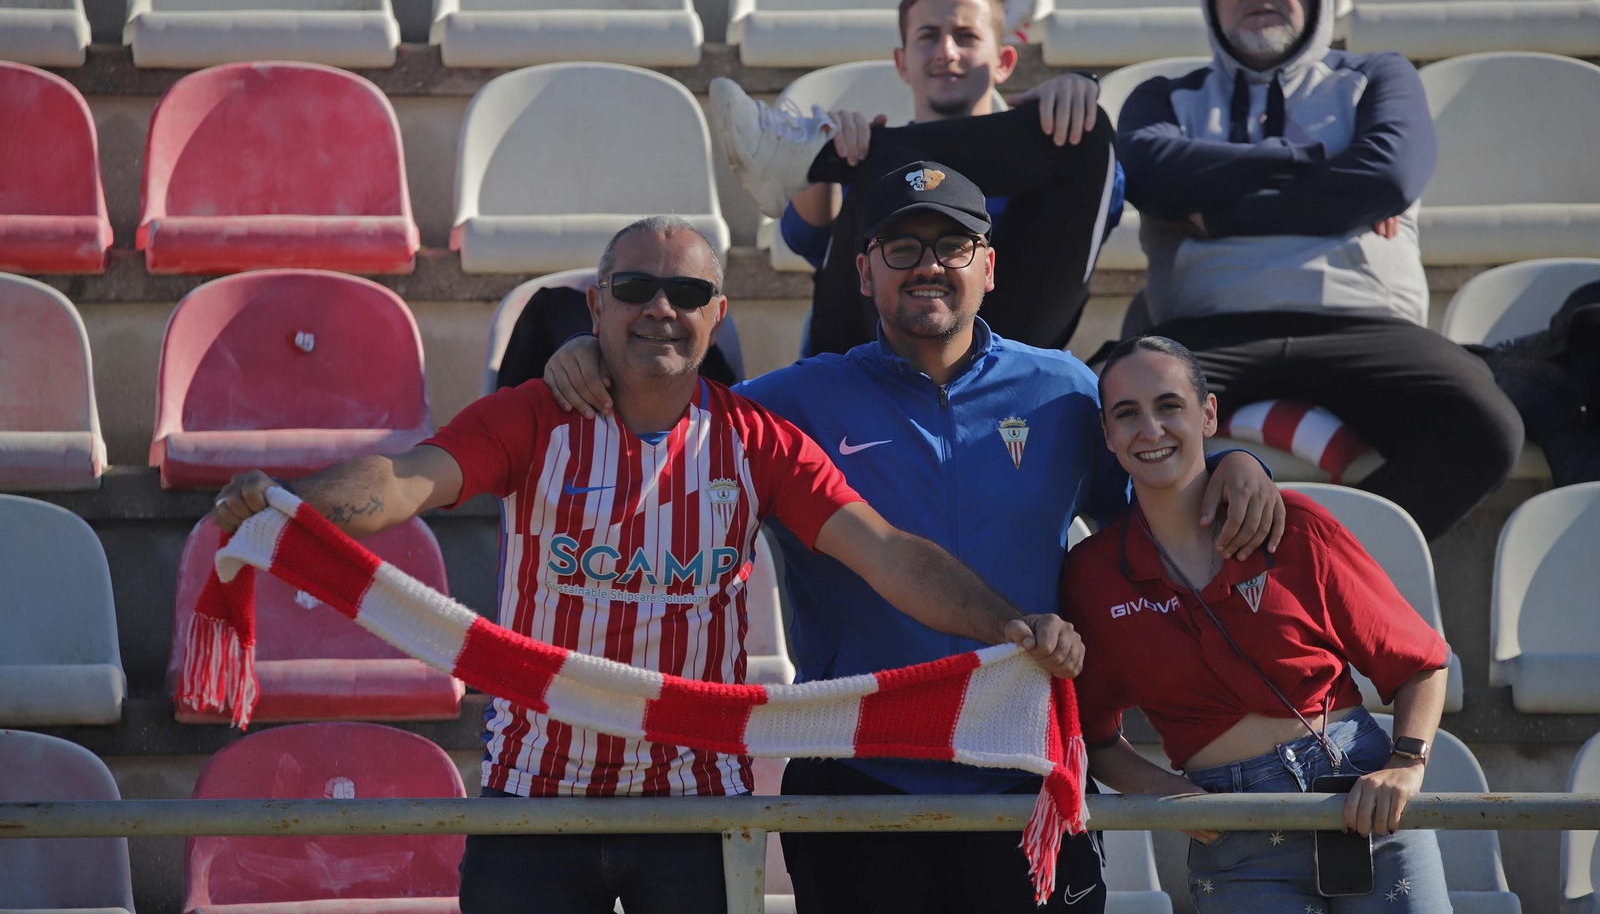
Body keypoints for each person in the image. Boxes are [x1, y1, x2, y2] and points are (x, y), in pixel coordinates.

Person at [209, 216, 1086, 914]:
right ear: (595, 305)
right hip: (532, 800)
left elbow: (889, 554)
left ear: (718, 312)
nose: (660, 307)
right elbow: (403, 480)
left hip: (695, 806)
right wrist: (291, 505)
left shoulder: (760, 441)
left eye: (687, 290)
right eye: (634, 287)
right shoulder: (531, 418)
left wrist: (1011, 625)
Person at [541, 170, 1287, 912]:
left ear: (988, 266)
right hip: (858, 780)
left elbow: (1157, 493)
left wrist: (1233, 461)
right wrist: (586, 351)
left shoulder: (1064, 390)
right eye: (902, 245)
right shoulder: (794, 401)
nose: (929, 263)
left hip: (1024, 768)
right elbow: (662, 415)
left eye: (953, 243)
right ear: (864, 272)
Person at [1116, 0, 1522, 540]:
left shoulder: (1378, 77)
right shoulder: (1163, 98)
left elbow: (1386, 175)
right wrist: (1322, 172)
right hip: (1208, 333)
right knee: (1083, 421)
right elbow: (1150, 171)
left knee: (1486, 427)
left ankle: (1323, 563)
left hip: (1361, 326)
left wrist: (1214, 214)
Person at [1062, 335, 1454, 910]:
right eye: (1127, 414)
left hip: (1362, 794)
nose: (1150, 429)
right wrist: (1168, 794)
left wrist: (1406, 763)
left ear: (1208, 413)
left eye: (1169, 406)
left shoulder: (1292, 523)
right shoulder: (1091, 576)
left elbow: (1420, 663)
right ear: (1107, 435)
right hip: (1231, 827)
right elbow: (1092, 737)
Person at [711, 0, 1123, 357]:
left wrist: (1075, 104)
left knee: (1092, 131)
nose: (946, 50)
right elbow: (809, 240)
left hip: (1002, 355)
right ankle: (813, 163)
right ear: (901, 62)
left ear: (1004, 61)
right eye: (928, 35)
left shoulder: (1054, 160)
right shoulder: (864, 154)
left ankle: (812, 158)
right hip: (872, 358)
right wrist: (837, 155)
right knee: (884, 167)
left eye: (966, 36)